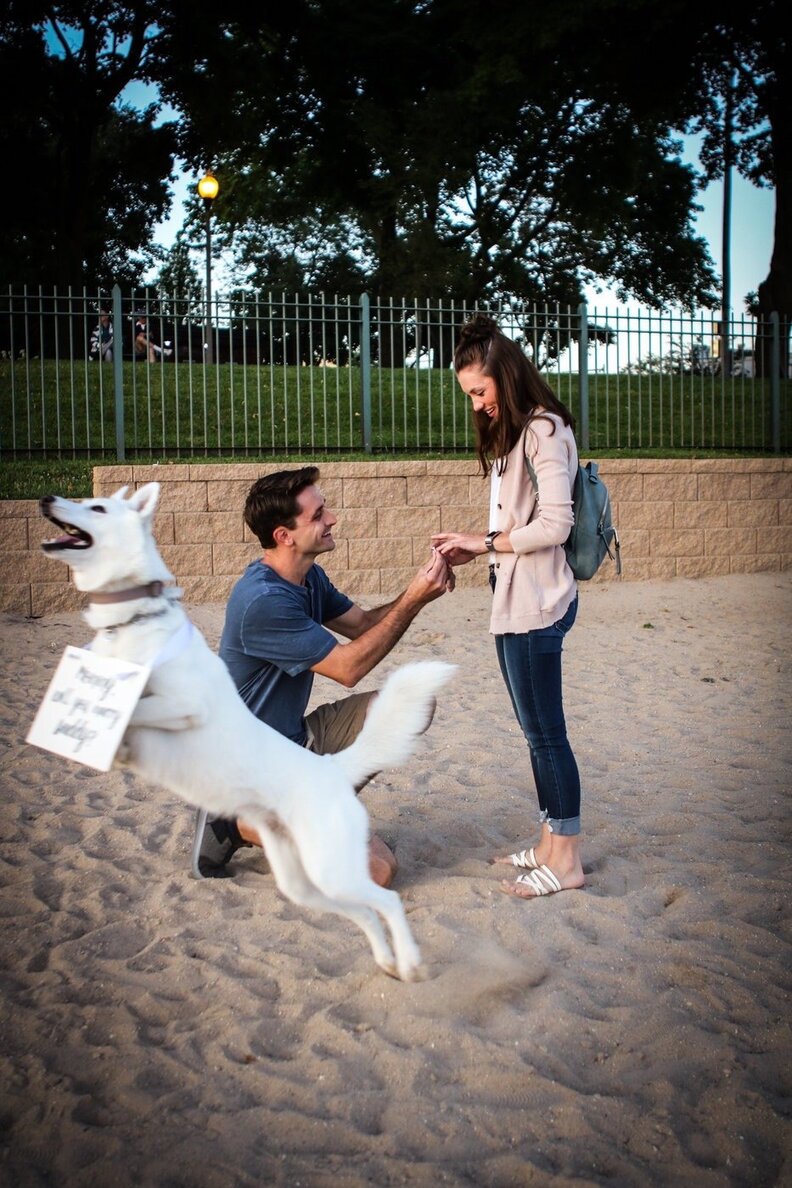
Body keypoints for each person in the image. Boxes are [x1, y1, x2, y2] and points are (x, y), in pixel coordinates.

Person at [198, 466, 454, 886]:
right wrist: (413, 599)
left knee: (413, 704)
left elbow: (363, 625)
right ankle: (231, 823)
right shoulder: (263, 600)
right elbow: (348, 668)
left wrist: (420, 588)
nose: (331, 518)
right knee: (379, 871)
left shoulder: (307, 577)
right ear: (284, 536)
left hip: (296, 743)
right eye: (318, 515)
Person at [432, 313, 584, 900]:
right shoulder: (516, 432)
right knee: (535, 733)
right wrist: (480, 546)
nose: (475, 404)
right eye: (469, 395)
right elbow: (518, 522)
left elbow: (556, 523)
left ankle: (566, 859)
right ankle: (549, 843)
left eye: (480, 391)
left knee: (548, 735)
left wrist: (483, 542)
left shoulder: (545, 429)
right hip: (514, 599)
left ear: (507, 374)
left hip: (538, 603)